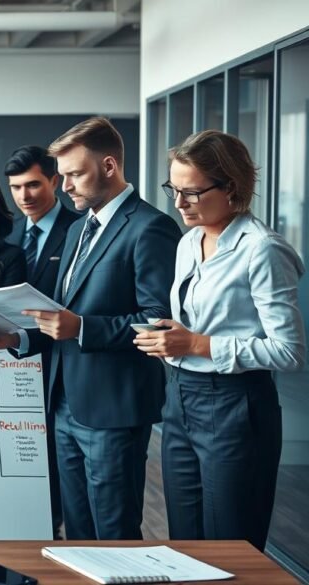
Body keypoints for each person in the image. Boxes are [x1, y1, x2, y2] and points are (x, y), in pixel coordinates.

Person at [0, 117, 181, 540]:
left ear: (109, 166)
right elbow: (60, 315)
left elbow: (158, 321)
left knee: (114, 536)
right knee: (77, 534)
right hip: (63, 404)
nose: (64, 186)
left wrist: (83, 328)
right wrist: (14, 338)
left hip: (113, 411)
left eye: (74, 174)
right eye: (62, 175)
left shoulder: (151, 227)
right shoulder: (79, 228)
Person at [134, 130, 305, 551]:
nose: (178, 203)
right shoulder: (189, 241)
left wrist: (197, 345)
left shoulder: (262, 249)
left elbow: (290, 350)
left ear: (230, 187)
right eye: (173, 189)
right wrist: (169, 337)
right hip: (180, 399)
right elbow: (198, 323)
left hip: (235, 406)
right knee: (185, 543)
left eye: (192, 192)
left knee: (230, 548)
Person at [3, 145, 82, 539]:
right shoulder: (8, 233)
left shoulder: (80, 230)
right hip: (13, 361)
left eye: (33, 185)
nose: (24, 196)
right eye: (16, 188)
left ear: (54, 180)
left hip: (64, 365)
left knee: (62, 475)